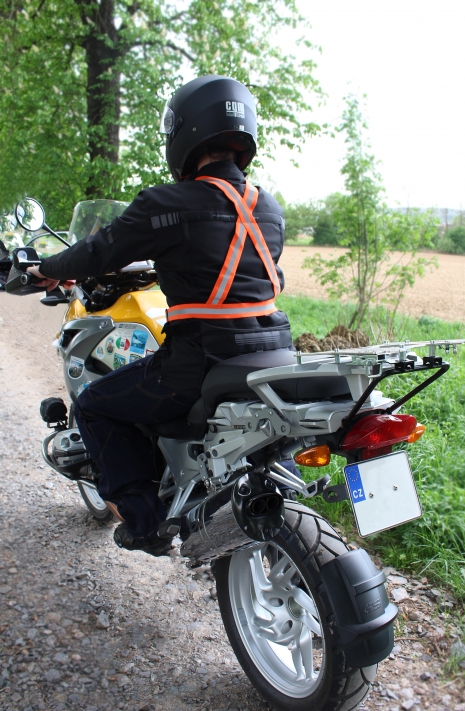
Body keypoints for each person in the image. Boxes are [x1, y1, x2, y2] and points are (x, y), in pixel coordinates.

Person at [27, 75, 293, 556]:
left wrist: (47, 269)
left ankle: (146, 523)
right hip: (276, 353)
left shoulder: (167, 203)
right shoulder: (267, 206)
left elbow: (98, 250)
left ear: (184, 133)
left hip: (200, 362)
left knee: (95, 405)